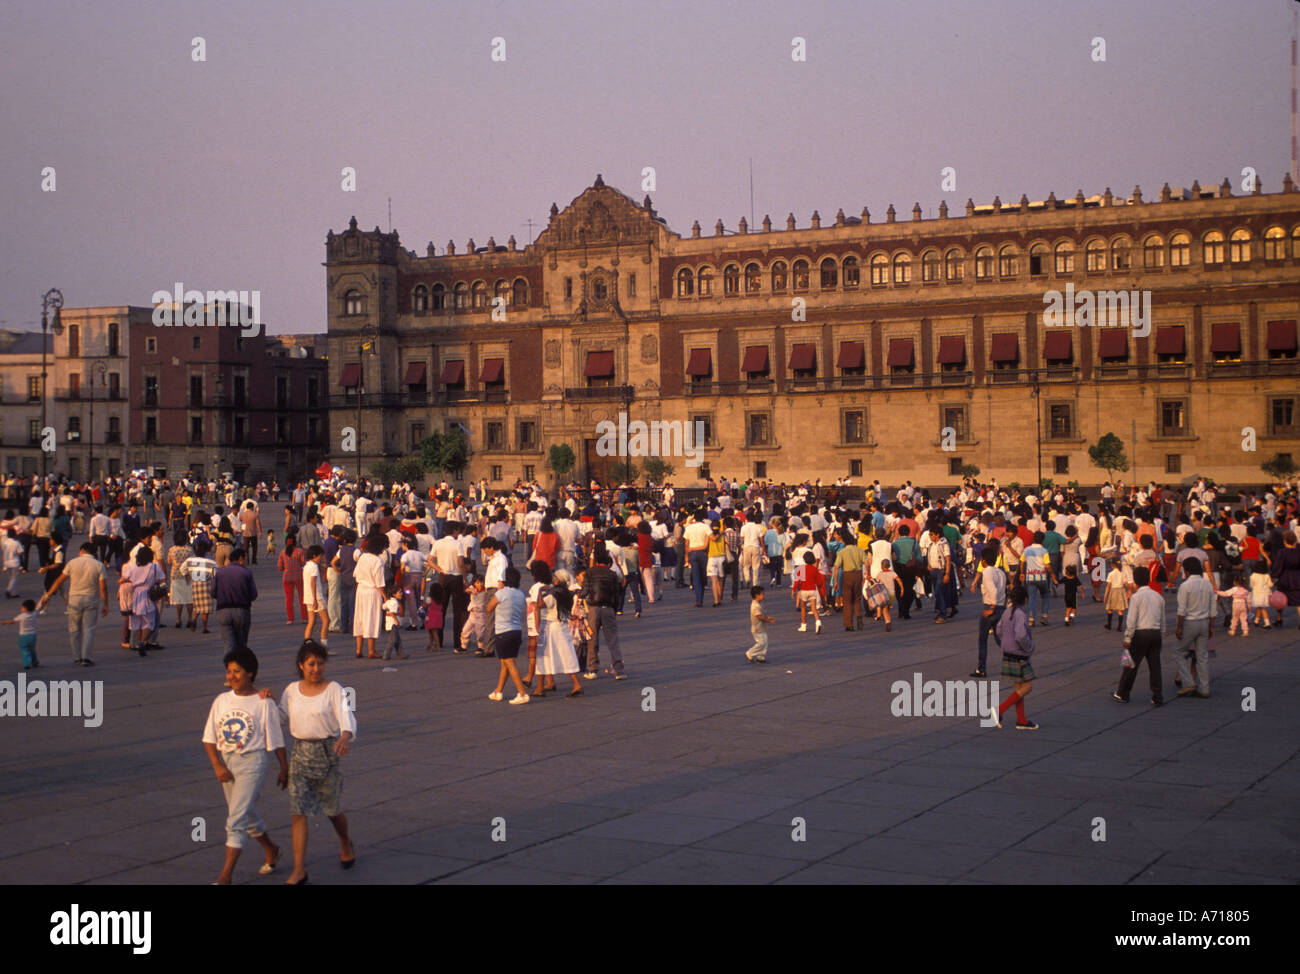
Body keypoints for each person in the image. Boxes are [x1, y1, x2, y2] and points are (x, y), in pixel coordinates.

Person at [201, 647, 287, 885]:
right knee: (245, 813)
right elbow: (209, 738)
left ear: (250, 672)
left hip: (253, 762)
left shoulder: (263, 702)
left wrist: (284, 767)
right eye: (229, 672)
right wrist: (217, 765)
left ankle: (225, 876)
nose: (232, 676)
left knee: (236, 818)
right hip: (227, 763)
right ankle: (272, 849)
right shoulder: (221, 700)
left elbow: (275, 738)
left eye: (237, 671)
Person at [275, 640, 357, 885]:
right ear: (301, 665)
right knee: (298, 811)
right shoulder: (291, 690)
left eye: (320, 664)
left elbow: (346, 716)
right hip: (300, 754)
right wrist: (263, 702)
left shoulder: (334, 689)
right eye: (311, 664)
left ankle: (345, 841)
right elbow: (279, 716)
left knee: (331, 810)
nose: (316, 669)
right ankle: (299, 869)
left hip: (327, 753)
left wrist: (345, 735)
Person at [38, 540, 109, 667]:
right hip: (91, 599)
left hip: (74, 599)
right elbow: (103, 587)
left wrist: (47, 595)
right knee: (88, 629)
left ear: (82, 551)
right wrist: (106, 604)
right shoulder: (98, 565)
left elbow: (59, 580)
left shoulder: (72, 563)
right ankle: (85, 657)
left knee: (74, 629)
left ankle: (77, 656)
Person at [531, 566, 584, 697]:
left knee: (542, 656)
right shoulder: (567, 593)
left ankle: (539, 687)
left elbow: (540, 604)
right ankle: (575, 683)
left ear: (557, 580)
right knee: (567, 654)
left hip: (550, 626)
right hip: (562, 626)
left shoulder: (553, 594)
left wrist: (540, 591)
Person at [1115, 566, 1164, 706]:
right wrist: (1162, 632)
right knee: (1155, 666)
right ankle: (1157, 695)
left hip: (1140, 634)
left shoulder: (1136, 598)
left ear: (1135, 581)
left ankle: (1123, 692)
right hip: (1155, 633)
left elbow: (1131, 621)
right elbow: (1162, 618)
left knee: (1130, 664)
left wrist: (1127, 637)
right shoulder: (1158, 596)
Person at [990, 587, 1037, 730]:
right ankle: (1000, 709)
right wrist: (1029, 647)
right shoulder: (1020, 614)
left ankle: (1021, 720)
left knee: (1019, 687)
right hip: (1019, 654)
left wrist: (1006, 641)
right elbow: (1021, 636)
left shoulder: (1006, 612)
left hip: (1007, 653)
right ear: (1025, 599)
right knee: (1027, 686)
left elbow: (999, 630)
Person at [579, 546, 625, 679]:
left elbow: (585, 591)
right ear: (609, 563)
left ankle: (592, 669)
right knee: (613, 639)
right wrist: (614, 610)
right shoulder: (613, 575)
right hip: (608, 608)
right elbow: (617, 595)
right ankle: (618, 670)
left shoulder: (590, 572)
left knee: (592, 639)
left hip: (594, 608)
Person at [486, 566, 529, 704]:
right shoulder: (520, 594)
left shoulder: (501, 593)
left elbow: (489, 607)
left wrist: (499, 590)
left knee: (509, 662)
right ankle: (498, 691)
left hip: (503, 631)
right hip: (516, 630)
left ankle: (522, 693)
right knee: (505, 662)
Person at [1175, 558, 1215, 699]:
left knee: (1179, 652)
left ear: (1186, 570)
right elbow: (1213, 609)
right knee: (1202, 656)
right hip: (1204, 622)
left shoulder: (1185, 586)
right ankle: (1204, 688)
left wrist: (1179, 627)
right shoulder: (1207, 584)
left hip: (1190, 622)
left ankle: (1188, 682)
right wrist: (1211, 626)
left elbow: (1182, 610)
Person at [120, 545, 165, 656]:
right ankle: (142, 642)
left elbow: (121, 580)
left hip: (135, 597)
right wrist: (164, 592)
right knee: (150, 623)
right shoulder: (155, 567)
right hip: (148, 596)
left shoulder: (133, 568)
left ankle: (139, 642)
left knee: (137, 623)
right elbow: (163, 580)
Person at [214, 548, 258, 656]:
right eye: (246, 559)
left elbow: (213, 593)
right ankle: (240, 667)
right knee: (241, 645)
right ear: (240, 559)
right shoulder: (246, 573)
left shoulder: (220, 572)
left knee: (229, 645)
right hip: (241, 611)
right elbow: (253, 594)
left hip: (223, 612)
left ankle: (230, 668)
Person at [352, 535, 386, 659]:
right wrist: (385, 597)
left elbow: (355, 574)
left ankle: (358, 649)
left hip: (360, 590)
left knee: (359, 618)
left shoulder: (362, 557)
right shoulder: (378, 561)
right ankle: (371, 650)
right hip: (373, 592)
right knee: (372, 619)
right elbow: (379, 583)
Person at [186, 538, 218, 634]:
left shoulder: (193, 558)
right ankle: (204, 627)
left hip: (196, 583)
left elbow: (185, 569)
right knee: (206, 608)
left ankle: (194, 619)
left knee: (197, 605)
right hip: (206, 584)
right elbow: (215, 571)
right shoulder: (210, 558)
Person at [791, 551, 825, 634]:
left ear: (804, 559)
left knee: (803, 607)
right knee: (813, 608)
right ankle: (818, 621)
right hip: (813, 590)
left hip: (803, 590)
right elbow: (819, 582)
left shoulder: (801, 568)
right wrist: (822, 593)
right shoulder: (815, 569)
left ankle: (803, 625)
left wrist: (793, 591)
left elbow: (797, 581)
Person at [167, 528, 195, 629]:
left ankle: (178, 619)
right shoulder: (189, 550)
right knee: (189, 599)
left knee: (178, 599)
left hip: (175, 575)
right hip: (187, 576)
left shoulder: (172, 550)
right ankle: (190, 619)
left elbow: (169, 561)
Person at [302, 545, 329, 646]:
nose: (321, 558)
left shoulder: (306, 566)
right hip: (317, 597)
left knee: (311, 622)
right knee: (326, 621)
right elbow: (313, 582)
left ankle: (307, 643)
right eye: (320, 556)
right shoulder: (314, 567)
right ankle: (324, 645)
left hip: (308, 597)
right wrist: (315, 599)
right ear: (314, 556)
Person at [278, 537, 307, 626]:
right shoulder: (300, 551)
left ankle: (290, 619)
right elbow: (304, 563)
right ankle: (304, 617)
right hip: (299, 576)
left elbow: (280, 567)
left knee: (289, 599)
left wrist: (286, 568)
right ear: (295, 542)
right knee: (302, 598)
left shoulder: (282, 552)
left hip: (287, 577)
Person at [3, 598, 39, 669]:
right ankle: (35, 662)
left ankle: (27, 663)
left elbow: (12, 621)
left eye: (22, 607)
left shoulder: (22, 616)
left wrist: (2, 622)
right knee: (32, 649)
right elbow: (41, 606)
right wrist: (44, 600)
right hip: (32, 635)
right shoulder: (34, 613)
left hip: (23, 636)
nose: (21, 608)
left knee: (24, 649)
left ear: (26, 608)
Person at [745, 585, 775, 663]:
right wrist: (768, 620)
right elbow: (759, 616)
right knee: (761, 643)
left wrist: (767, 617)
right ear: (756, 595)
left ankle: (761, 657)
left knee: (765, 641)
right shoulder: (755, 606)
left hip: (761, 627)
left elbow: (762, 614)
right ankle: (750, 653)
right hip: (757, 628)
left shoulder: (759, 603)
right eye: (762, 594)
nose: (763, 596)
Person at [381, 580, 408, 659]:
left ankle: (401, 654)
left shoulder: (389, 601)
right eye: (399, 593)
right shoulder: (395, 602)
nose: (401, 594)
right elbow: (393, 613)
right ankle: (386, 655)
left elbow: (383, 607)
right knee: (392, 641)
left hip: (388, 623)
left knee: (398, 640)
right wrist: (397, 621)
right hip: (393, 624)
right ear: (394, 594)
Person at [1102, 557, 1128, 630]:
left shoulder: (1111, 574)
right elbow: (1126, 584)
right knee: (1120, 610)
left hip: (1113, 591)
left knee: (1110, 608)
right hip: (1121, 591)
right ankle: (1119, 626)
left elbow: (1108, 586)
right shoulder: (1122, 573)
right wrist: (1129, 590)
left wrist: (1105, 596)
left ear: (1113, 565)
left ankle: (1109, 624)